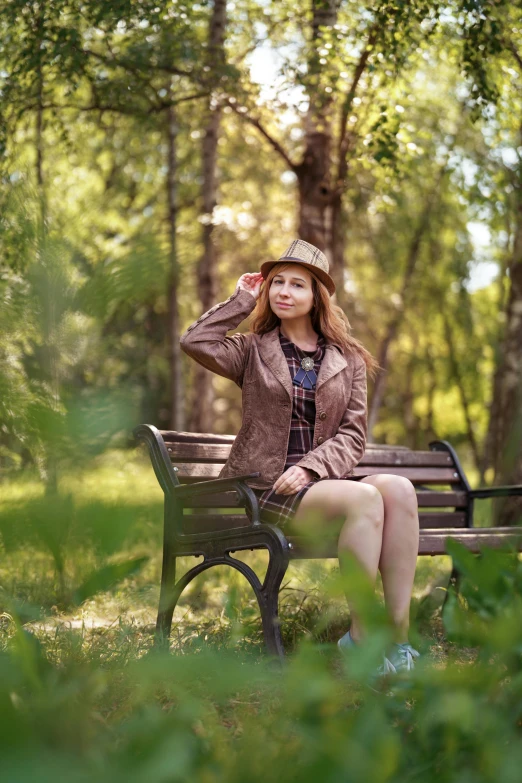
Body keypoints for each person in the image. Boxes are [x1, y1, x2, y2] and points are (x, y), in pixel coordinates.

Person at [180, 239, 420, 674]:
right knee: (366, 499)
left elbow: (353, 436)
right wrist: (240, 301)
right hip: (265, 487)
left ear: (317, 298)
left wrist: (310, 467)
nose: (283, 292)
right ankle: (362, 644)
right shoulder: (251, 349)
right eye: (277, 283)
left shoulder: (349, 360)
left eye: (297, 285)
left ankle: (399, 643)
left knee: (400, 490)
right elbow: (194, 341)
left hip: (318, 483)